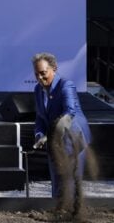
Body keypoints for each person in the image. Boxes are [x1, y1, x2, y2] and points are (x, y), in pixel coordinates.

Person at [32, 52, 91, 216]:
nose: (40, 78)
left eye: (43, 73)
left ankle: (75, 214)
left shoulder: (66, 85)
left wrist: (57, 130)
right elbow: (40, 117)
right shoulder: (37, 90)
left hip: (74, 136)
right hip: (54, 141)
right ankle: (59, 211)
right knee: (57, 178)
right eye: (36, 74)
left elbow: (70, 111)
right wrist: (39, 135)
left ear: (54, 69)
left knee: (70, 177)